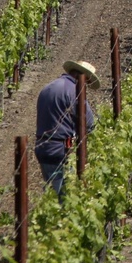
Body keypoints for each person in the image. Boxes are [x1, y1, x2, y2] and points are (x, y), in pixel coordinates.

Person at [35, 60, 100, 196]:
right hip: (60, 151)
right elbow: (89, 122)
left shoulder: (48, 87)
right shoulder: (74, 91)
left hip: (42, 147)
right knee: (64, 197)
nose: (86, 87)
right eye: (87, 83)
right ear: (84, 78)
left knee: (50, 194)